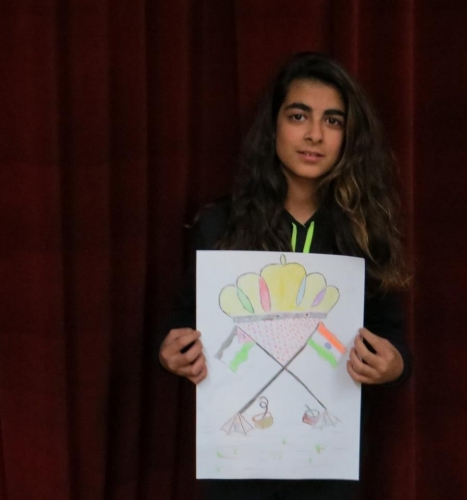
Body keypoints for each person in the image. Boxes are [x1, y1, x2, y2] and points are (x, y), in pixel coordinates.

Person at [159, 52, 412, 499]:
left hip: (328, 467)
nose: (315, 134)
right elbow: (183, 322)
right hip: (237, 467)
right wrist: (171, 353)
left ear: (349, 136)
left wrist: (394, 365)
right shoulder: (220, 225)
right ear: (273, 125)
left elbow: (393, 339)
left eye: (333, 121)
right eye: (299, 116)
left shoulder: (363, 234)